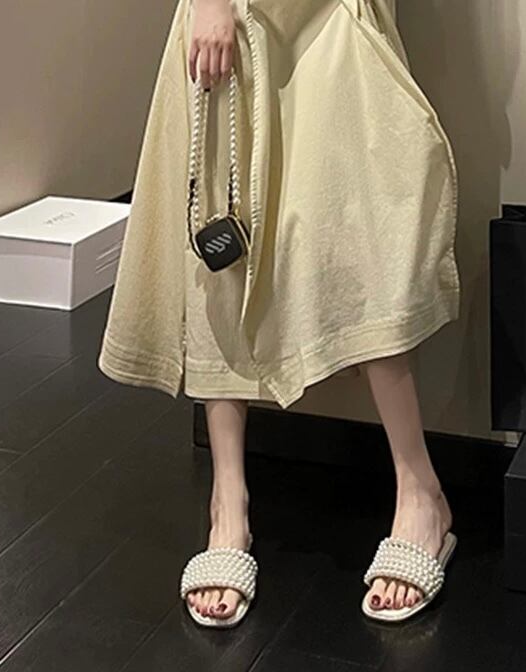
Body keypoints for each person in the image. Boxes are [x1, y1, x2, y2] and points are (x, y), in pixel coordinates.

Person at [98, 0, 460, 627]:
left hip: (339, 14)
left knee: (368, 241)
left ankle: (421, 493)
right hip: (232, 17)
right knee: (222, 242)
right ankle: (227, 507)